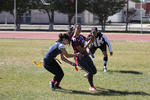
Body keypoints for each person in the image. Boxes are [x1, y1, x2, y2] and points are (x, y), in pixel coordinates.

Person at [71, 24, 97, 91]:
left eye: (80, 28)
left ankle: (88, 75)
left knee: (94, 71)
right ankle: (91, 86)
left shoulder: (81, 36)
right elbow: (82, 50)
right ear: (74, 29)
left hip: (86, 56)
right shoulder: (74, 39)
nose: (79, 30)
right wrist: (89, 43)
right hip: (80, 58)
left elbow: (87, 39)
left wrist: (92, 36)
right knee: (90, 72)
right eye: (78, 28)